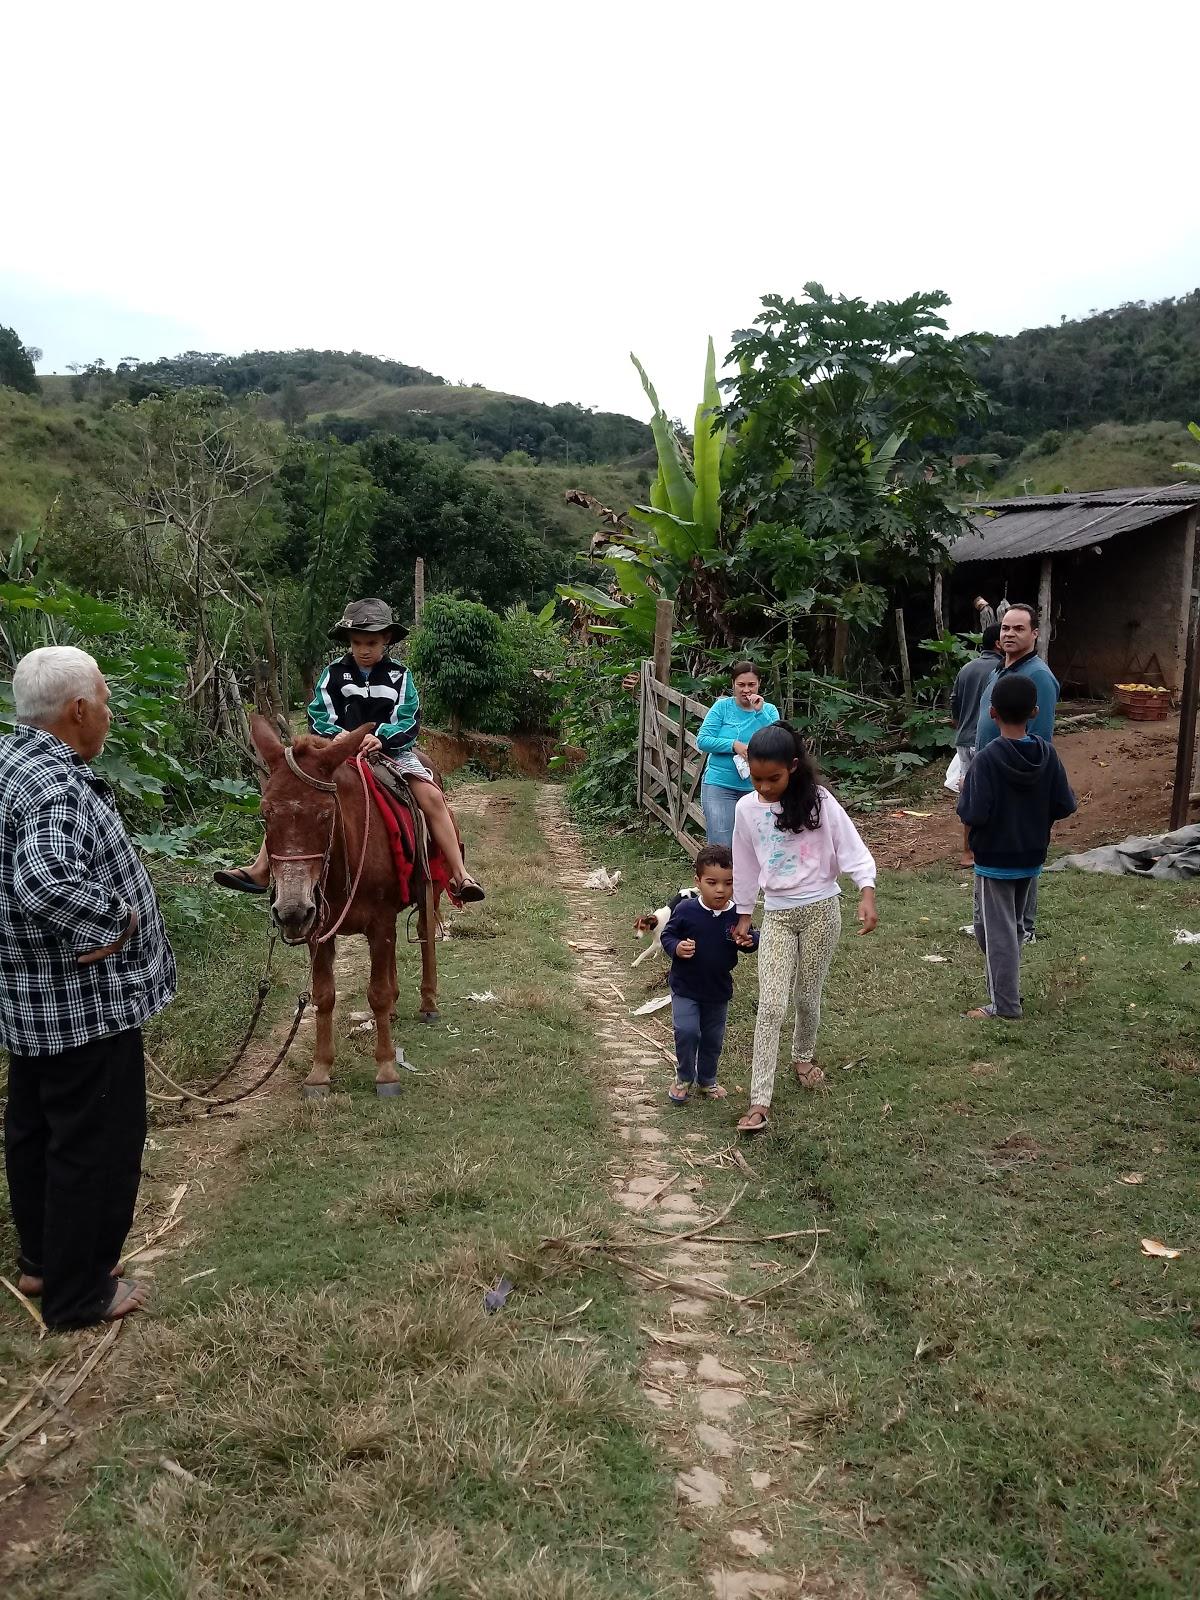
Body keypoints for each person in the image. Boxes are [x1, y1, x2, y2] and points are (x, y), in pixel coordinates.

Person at [1, 646, 177, 1329]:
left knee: (34, 1130)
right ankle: (81, 1294)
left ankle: (44, 1263)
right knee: (94, 1143)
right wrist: (114, 919)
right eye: (104, 702)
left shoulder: (12, 763)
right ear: (77, 711)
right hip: (85, 1006)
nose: (108, 714)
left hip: (26, 1002)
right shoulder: (58, 786)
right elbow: (44, 880)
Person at [215, 598, 484, 902]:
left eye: (371, 642)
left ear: (387, 640)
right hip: (337, 754)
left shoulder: (400, 676)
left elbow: (408, 718)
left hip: (390, 752)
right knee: (292, 794)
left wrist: (381, 737)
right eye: (357, 642)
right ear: (349, 642)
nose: (364, 649)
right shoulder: (333, 674)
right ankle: (261, 868)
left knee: (432, 796)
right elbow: (319, 714)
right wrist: (340, 737)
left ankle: (460, 874)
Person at [731, 723, 877, 1135]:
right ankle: (759, 1101)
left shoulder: (820, 802)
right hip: (776, 915)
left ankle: (803, 1056)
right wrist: (744, 914)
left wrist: (866, 892)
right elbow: (744, 864)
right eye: (756, 778)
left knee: (807, 996)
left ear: (793, 768)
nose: (764, 787)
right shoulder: (746, 809)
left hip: (821, 912)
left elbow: (851, 848)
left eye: (773, 779)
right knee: (771, 1005)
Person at [958, 673, 1076, 1021]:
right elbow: (1065, 805)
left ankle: (1005, 1005)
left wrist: (965, 790)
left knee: (997, 932)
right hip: (1031, 855)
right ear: (1035, 712)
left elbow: (973, 813)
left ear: (991, 713)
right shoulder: (1047, 755)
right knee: (1007, 926)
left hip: (995, 859)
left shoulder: (986, 760)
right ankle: (1007, 972)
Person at [973, 602, 1060, 942]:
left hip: (1015, 778)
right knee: (991, 848)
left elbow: (1040, 738)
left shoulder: (1038, 676)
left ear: (1035, 634)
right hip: (989, 771)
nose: (1009, 634)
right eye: (1006, 628)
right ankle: (991, 920)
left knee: (1019, 850)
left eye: (1018, 629)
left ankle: (1024, 926)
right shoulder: (1001, 669)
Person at [659, 844, 757, 1105]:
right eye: (712, 882)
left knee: (713, 1039)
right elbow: (668, 935)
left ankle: (707, 1080)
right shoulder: (686, 910)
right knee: (688, 1031)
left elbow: (751, 937)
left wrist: (750, 941)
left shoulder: (738, 914)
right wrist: (677, 948)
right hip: (685, 987)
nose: (720, 890)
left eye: (728, 883)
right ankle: (684, 1077)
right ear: (698, 881)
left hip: (717, 991)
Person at [695, 661, 780, 847]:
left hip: (757, 788)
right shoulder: (722, 708)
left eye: (751, 684)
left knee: (757, 844)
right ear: (733, 684)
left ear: (759, 684)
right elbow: (702, 740)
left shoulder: (770, 711)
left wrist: (759, 713)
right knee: (722, 844)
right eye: (741, 685)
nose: (746, 690)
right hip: (719, 785)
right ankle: (724, 877)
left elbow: (778, 741)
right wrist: (733, 745)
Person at [950, 623, 1003, 867]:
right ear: (998, 644)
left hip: (964, 739)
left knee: (969, 793)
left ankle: (967, 852)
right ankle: (993, 845)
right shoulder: (1002, 669)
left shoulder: (966, 668)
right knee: (995, 792)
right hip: (989, 740)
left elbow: (955, 708)